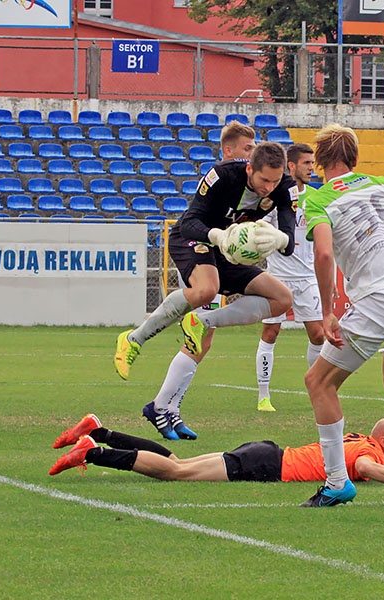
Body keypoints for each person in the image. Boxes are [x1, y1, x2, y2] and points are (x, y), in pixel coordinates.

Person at [114, 141, 299, 439]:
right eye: (264, 180)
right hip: (196, 241)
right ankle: (133, 339)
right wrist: (217, 235)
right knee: (206, 289)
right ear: (250, 168)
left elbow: (290, 242)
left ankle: (164, 407)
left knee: (281, 299)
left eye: (275, 181)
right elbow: (188, 222)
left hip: (228, 252)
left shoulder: (285, 188)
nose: (269, 187)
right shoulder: (222, 175)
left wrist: (279, 239)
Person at [301, 124, 384, 507]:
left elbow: (324, 254)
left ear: (322, 161)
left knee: (319, 382)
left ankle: (336, 482)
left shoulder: (319, 199)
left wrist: (327, 311)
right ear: (355, 158)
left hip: (381, 297)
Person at [133, 121, 258, 441]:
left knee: (204, 340)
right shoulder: (224, 176)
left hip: (218, 254)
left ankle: (165, 408)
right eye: (248, 148)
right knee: (203, 302)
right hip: (198, 247)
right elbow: (197, 218)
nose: (252, 153)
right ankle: (139, 342)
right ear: (228, 150)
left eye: (255, 148)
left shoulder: (260, 185)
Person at [49, 413, 384, 491]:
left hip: (267, 453)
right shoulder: (369, 452)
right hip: (266, 464)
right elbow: (365, 466)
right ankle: (92, 452)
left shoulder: (362, 439)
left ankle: (98, 431)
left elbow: (363, 461)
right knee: (175, 473)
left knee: (176, 463)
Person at [255, 143, 324, 412]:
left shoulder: (317, 198)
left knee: (318, 335)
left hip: (307, 277)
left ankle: (317, 389)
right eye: (307, 163)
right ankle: (263, 395)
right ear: (291, 166)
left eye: (312, 163)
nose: (311, 168)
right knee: (270, 332)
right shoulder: (275, 198)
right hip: (278, 277)